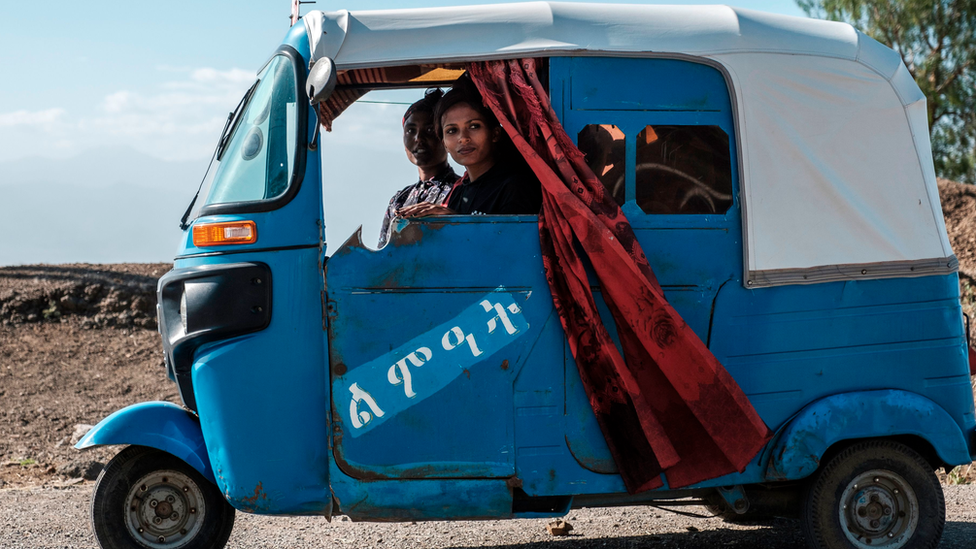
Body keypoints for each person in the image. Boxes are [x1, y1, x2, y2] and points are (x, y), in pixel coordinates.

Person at [399, 74, 541, 218]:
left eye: (474, 126)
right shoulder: (459, 192)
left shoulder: (516, 187)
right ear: (444, 144)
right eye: (452, 131)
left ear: (495, 134)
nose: (463, 139)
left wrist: (455, 222)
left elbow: (512, 239)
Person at [377, 88, 458, 247]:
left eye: (429, 130)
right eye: (411, 130)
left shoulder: (461, 191)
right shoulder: (400, 199)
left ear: (446, 137)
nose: (419, 139)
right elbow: (384, 254)